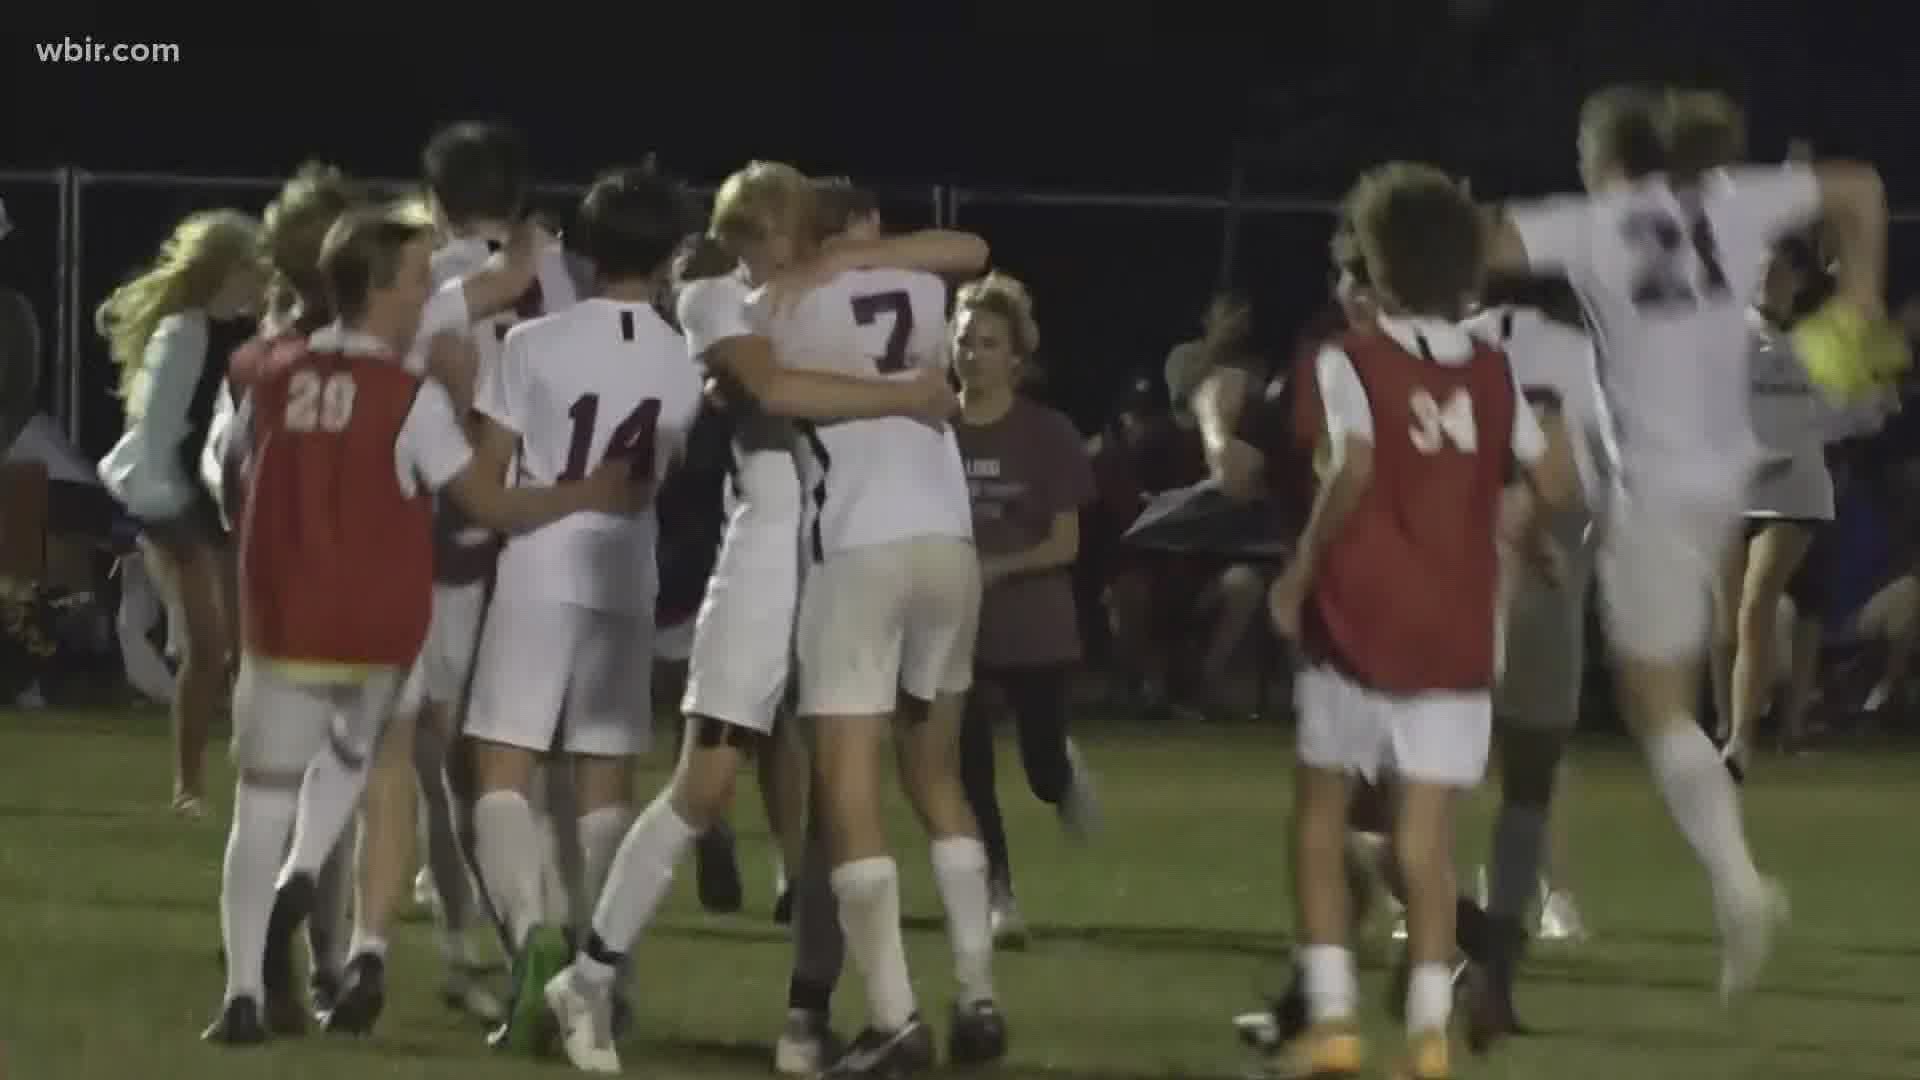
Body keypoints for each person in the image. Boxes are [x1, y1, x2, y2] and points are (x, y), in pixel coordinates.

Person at [539, 166, 979, 1076]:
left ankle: (810, 1014)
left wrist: (861, 260)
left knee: (834, 799)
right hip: (766, 559)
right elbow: (771, 387)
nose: (793, 244)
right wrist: (907, 393)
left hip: (843, 551)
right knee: (707, 782)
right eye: (775, 230)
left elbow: (968, 252)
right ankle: (587, 977)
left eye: (797, 228)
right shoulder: (713, 297)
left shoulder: (828, 287)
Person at [1483, 84, 1888, 999]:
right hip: (1719, 470)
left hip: (1660, 484)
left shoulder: (1591, 219)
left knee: (1654, 704)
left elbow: (1483, 244)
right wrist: (1858, 298)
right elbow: (1858, 186)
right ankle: (1739, 883)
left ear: (1599, 160)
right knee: (1653, 692)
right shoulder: (1731, 199)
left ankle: (1744, 892)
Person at [204, 208, 642, 1046]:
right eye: (413, 280)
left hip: (282, 619)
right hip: (375, 629)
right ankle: (317, 888)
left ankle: (242, 996)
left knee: (259, 807)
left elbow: (232, 470)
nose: (425, 292)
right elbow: (489, 502)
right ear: (375, 289)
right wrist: (585, 493)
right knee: (367, 760)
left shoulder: (265, 372)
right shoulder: (407, 398)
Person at [1263, 162, 1573, 1080]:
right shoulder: (1492, 368)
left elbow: (1350, 470)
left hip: (1362, 626)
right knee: (1426, 846)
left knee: (1323, 822)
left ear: (1376, 261)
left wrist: (1299, 571)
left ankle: (1334, 1029)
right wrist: (1526, 535)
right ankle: (1431, 1043)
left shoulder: (1349, 360)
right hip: (1458, 635)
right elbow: (1548, 475)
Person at [328, 120, 574, 1037]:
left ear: (433, 197)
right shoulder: (556, 276)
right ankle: (537, 943)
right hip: (538, 536)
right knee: (510, 765)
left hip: (433, 533)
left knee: (408, 758)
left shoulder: (421, 275)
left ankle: (420, 944)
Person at [457, 163, 704, 1057]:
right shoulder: (688, 357)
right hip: (626, 572)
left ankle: (533, 944)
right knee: (606, 781)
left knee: (500, 771)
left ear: (589, 250)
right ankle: (608, 975)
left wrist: (556, 494)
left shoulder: (534, 344)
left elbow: (486, 490)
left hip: (540, 566)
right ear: (670, 251)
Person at [1455, 275, 1602, 1045]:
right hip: (1538, 585)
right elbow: (1556, 443)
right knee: (1527, 787)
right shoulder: (1587, 352)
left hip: (1440, 583)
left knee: (1411, 783)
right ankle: (1493, 974)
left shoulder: (1457, 337)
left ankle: (1454, 937)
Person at [96, 209, 267, 817]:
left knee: (249, 647)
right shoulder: (182, 334)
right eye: (253, 267)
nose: (262, 279)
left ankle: (256, 772)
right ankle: (187, 787)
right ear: (227, 269)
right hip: (173, 505)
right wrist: (179, 515)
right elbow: (160, 436)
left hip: (213, 501)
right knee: (210, 645)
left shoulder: (240, 332)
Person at [950, 271, 1101, 947]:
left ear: (1015, 356)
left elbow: (1065, 541)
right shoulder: (931, 429)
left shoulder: (1047, 432)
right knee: (968, 765)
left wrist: (996, 567)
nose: (973, 354)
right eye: (964, 340)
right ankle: (998, 895)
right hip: (955, 628)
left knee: (1040, 769)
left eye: (988, 342)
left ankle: (1061, 770)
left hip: (1034, 626)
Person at [1713, 235, 1888, 776]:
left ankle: (1742, 740)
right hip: (1731, 489)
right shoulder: (1727, 335)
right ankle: (1725, 726)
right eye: (1763, 268)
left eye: (1781, 270)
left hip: (1795, 489)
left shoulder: (1818, 341)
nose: (1770, 278)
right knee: (1724, 623)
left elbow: (1857, 412)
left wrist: (1867, 384)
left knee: (1756, 603)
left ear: (1798, 279)